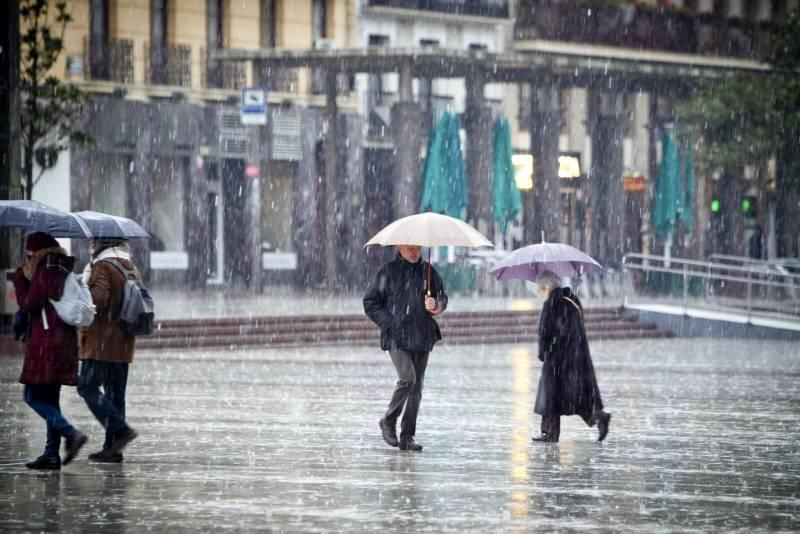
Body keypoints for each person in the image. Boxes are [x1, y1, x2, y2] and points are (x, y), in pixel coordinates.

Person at [12, 232, 88, 470]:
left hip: (46, 343)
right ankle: (51, 454)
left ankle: (71, 433)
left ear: (37, 253)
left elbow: (28, 304)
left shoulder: (45, 271)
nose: (26, 257)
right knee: (50, 399)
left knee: (32, 396)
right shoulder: (61, 269)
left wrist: (19, 280)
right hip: (61, 341)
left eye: (28, 253)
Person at [363, 244, 447, 452]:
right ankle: (388, 420)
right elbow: (370, 302)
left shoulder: (429, 272)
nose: (414, 251)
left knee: (416, 389)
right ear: (399, 246)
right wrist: (388, 322)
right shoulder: (387, 272)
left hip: (422, 335)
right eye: (410, 247)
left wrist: (435, 305)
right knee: (408, 378)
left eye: (417, 247)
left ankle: (407, 436)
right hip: (396, 337)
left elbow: (442, 297)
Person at [77, 238, 139, 462]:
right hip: (123, 341)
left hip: (102, 341)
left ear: (102, 243)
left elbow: (98, 299)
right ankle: (112, 449)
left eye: (93, 241)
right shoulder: (128, 265)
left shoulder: (103, 265)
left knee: (86, 386)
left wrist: (83, 289)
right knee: (115, 394)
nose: (90, 245)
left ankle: (120, 429)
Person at [532, 271, 611, 443]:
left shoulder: (551, 304)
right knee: (577, 396)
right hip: (577, 356)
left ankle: (549, 433)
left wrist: (542, 353)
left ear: (546, 287)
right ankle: (599, 417)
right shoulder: (572, 300)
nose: (539, 292)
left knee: (551, 396)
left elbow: (544, 333)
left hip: (557, 359)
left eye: (540, 289)